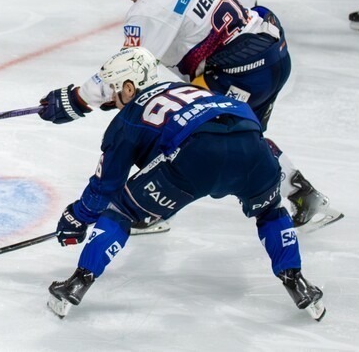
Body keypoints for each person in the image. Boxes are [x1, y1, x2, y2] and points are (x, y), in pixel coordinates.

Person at [39, 0, 341, 230]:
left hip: (240, 73)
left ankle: (149, 209)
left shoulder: (149, 9)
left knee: (182, 129)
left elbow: (128, 70)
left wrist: (77, 99)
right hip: (270, 54)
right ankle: (304, 195)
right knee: (245, 137)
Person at [40, 47, 326, 321]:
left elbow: (106, 186)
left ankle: (78, 283)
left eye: (114, 89)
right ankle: (296, 281)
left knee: (121, 210)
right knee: (271, 210)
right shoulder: (188, 89)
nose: (111, 99)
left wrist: (77, 217)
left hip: (197, 156)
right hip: (250, 141)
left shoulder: (128, 118)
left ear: (129, 88)